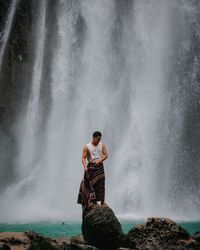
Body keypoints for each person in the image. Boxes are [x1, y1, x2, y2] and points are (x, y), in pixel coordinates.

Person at [77, 131, 108, 219]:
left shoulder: (102, 145)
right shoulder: (87, 147)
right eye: (97, 139)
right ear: (94, 137)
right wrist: (84, 166)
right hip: (91, 166)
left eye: (100, 139)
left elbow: (106, 155)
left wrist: (100, 161)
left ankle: (102, 201)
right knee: (91, 185)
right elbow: (83, 158)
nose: (99, 141)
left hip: (99, 166)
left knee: (101, 184)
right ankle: (91, 202)